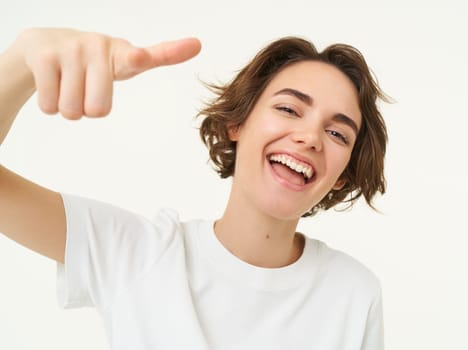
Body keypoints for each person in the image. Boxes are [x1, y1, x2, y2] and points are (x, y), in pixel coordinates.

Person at [0, 28, 388, 350]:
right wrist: (21, 58)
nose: (310, 137)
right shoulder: (136, 253)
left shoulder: (353, 294)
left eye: (337, 133)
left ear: (342, 173)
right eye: (288, 109)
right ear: (238, 123)